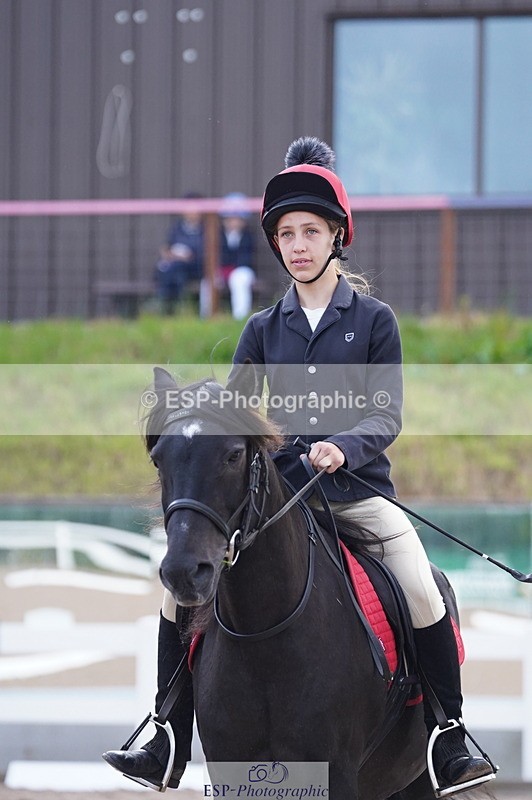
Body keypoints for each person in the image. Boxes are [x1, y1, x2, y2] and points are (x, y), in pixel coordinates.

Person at [103, 138, 495, 794]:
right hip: (278, 501)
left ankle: (448, 735)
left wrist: (345, 445)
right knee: (179, 593)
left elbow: (385, 415)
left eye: (311, 231)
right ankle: (166, 734)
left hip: (358, 494)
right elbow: (235, 413)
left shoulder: (373, 321)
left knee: (423, 589)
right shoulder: (262, 327)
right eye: (286, 234)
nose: (298, 244)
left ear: (337, 237)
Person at [199, 192, 256, 320]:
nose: (233, 222)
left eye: (237, 218)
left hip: (241, 269)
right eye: (230, 218)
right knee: (208, 281)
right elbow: (215, 257)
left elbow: (247, 258)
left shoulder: (248, 236)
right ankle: (206, 317)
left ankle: (240, 317)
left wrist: (233, 268)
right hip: (222, 269)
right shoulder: (217, 235)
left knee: (239, 280)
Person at [154, 193, 204, 315]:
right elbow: (167, 246)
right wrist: (170, 253)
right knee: (169, 269)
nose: (192, 211)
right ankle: (173, 306)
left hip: (197, 267)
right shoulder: (177, 228)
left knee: (174, 271)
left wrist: (190, 256)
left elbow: (208, 253)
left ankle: (169, 306)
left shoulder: (207, 228)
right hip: (177, 266)